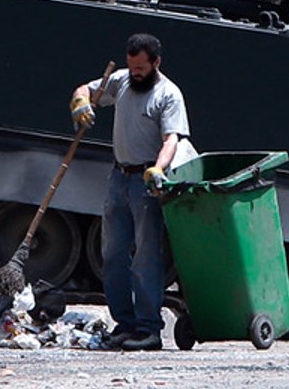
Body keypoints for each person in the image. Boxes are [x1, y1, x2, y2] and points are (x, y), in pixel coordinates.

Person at [70, 33, 189, 352]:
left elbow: (171, 140)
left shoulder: (168, 94)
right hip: (118, 178)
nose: (135, 72)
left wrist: (158, 169)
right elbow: (86, 88)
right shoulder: (121, 80)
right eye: (131, 65)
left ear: (156, 63)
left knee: (146, 258)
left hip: (145, 183)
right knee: (112, 255)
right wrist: (80, 102)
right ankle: (125, 324)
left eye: (141, 67)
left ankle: (149, 328)